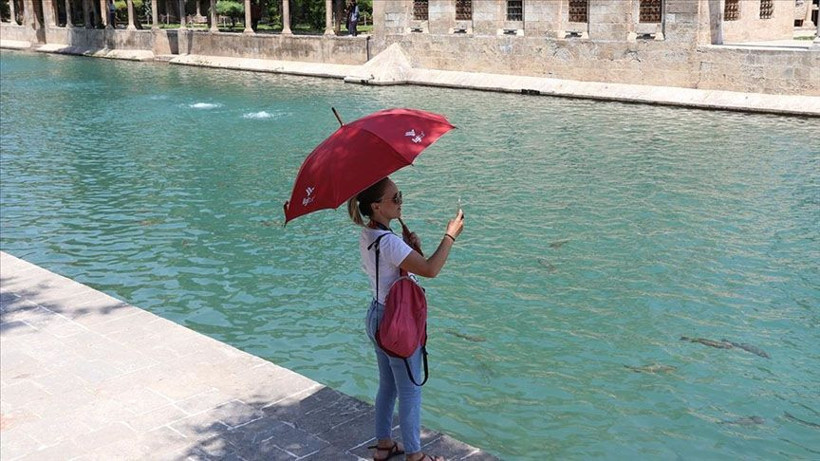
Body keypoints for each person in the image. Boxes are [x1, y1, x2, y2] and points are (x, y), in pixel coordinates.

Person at [348, 177, 464, 461]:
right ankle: (415, 455)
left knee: (387, 385)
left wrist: (410, 246)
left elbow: (399, 266)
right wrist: (450, 236)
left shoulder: (370, 234)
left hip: (377, 315)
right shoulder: (389, 243)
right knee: (411, 390)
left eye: (400, 195)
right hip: (397, 322)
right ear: (377, 206)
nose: (401, 201)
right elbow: (430, 270)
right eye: (395, 198)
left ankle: (384, 444)